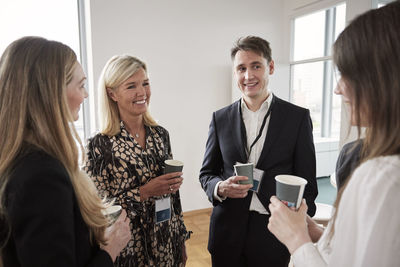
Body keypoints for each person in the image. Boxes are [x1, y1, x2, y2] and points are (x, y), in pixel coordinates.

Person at [268, 2, 400, 266]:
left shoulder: (383, 177)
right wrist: (321, 235)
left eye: (347, 74)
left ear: (382, 78)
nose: (338, 89)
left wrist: (296, 240)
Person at [0, 37, 130, 266]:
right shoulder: (41, 175)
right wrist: (110, 250)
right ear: (51, 93)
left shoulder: (23, 162)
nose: (86, 95)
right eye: (80, 85)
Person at [199, 36, 318, 267]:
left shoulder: (297, 118)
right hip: (226, 234)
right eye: (241, 68)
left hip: (274, 236)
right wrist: (219, 187)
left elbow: (308, 186)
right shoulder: (220, 118)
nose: (248, 76)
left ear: (270, 67)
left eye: (256, 66)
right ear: (235, 73)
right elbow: (207, 174)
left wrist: (296, 227)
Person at [84, 55, 190, 266]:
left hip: (165, 241)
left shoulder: (161, 135)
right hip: (126, 247)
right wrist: (144, 192)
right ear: (111, 93)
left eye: (145, 83)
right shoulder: (98, 145)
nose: (142, 92)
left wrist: (181, 238)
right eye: (131, 86)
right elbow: (96, 211)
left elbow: (172, 196)